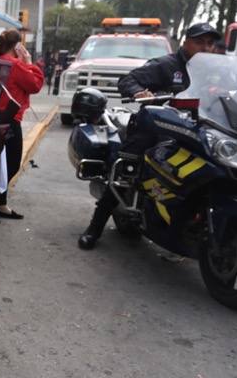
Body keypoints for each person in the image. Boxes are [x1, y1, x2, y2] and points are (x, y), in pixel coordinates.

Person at [78, 22, 222, 250]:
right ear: (186, 43)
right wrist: (138, 92)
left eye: (210, 43)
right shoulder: (166, 65)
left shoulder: (216, 70)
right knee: (125, 170)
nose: (206, 47)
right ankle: (94, 228)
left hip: (200, 131)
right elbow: (128, 80)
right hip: (158, 129)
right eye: (199, 42)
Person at [0, 29, 44, 226]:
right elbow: (36, 85)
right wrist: (29, 63)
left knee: (1, 162)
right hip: (11, 119)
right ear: (17, 47)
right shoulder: (16, 64)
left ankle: (1, 203)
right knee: (11, 164)